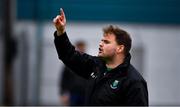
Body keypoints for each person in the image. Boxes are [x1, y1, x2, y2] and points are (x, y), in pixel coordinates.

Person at [53, 8, 148, 106]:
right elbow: (69, 55)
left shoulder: (134, 82)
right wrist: (61, 32)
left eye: (106, 42)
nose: (100, 44)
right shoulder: (96, 66)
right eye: (101, 41)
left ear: (120, 48)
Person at [59, 41, 87, 106]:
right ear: (76, 49)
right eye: (80, 48)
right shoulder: (69, 63)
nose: (81, 50)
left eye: (82, 48)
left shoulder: (88, 62)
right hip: (73, 93)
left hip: (85, 93)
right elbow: (64, 79)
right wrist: (63, 93)